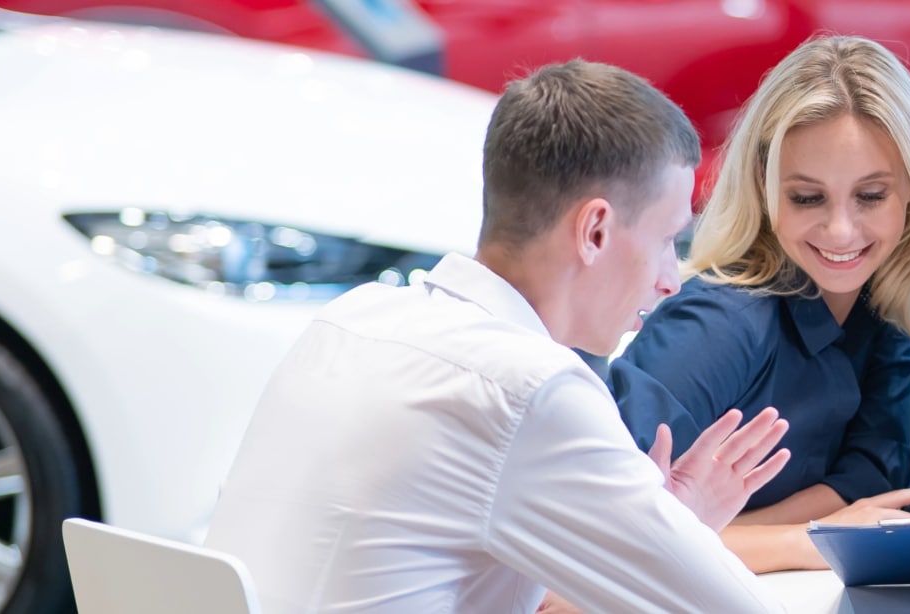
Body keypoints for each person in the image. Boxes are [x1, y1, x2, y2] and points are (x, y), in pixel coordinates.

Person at [205, 60, 793, 613]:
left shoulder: (352, 319)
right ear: (594, 231)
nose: (672, 280)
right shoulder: (529, 388)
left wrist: (656, 534)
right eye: (668, 240)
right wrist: (676, 535)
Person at [608, 35, 910, 573]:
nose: (842, 231)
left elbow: (868, 480)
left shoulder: (878, 312)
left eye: (871, 196)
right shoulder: (719, 326)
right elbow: (594, 537)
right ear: (764, 185)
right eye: (807, 197)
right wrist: (811, 539)